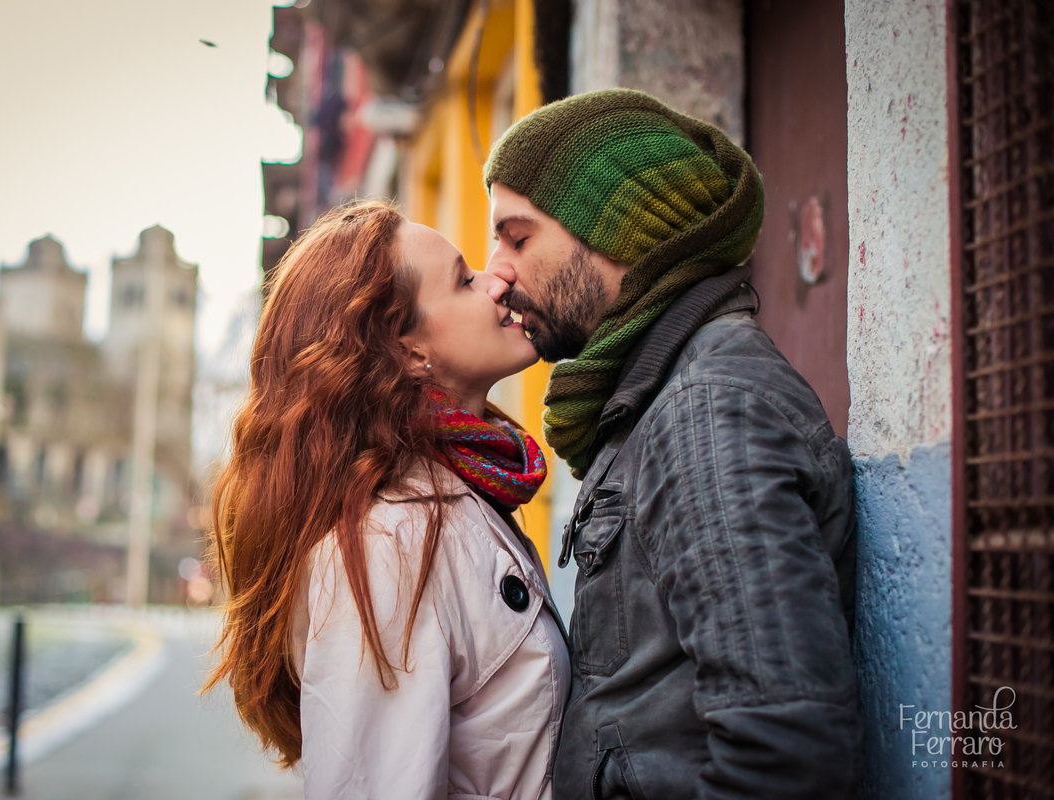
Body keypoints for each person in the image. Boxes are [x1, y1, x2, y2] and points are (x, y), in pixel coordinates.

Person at [484, 88, 862, 799]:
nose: (496, 271)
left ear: (620, 226)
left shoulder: (705, 410)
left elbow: (785, 750)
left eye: (518, 236)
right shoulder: (657, 402)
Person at [206, 201, 570, 800]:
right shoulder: (385, 547)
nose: (496, 279)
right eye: (463, 280)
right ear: (407, 351)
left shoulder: (456, 495)